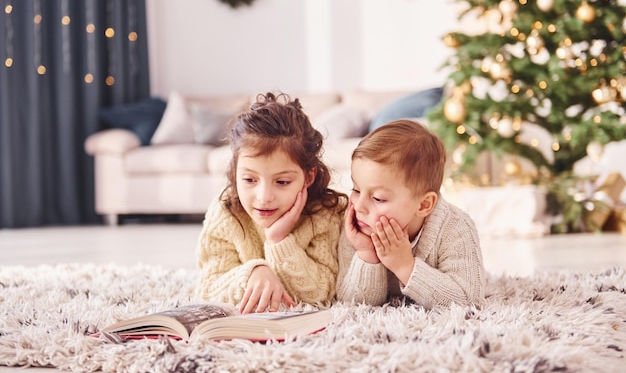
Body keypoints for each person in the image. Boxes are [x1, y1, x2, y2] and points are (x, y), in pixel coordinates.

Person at [195, 92, 348, 314]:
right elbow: (207, 288)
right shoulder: (226, 214)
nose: (264, 196)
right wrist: (255, 272)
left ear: (308, 177)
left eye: (282, 181)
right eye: (249, 180)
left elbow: (321, 293)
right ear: (235, 172)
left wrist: (279, 241)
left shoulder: (324, 216)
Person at [336, 119, 485, 309]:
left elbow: (469, 301)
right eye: (356, 190)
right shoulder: (357, 226)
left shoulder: (455, 228)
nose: (359, 206)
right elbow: (350, 303)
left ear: (423, 204)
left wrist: (405, 266)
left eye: (378, 199)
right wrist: (367, 254)